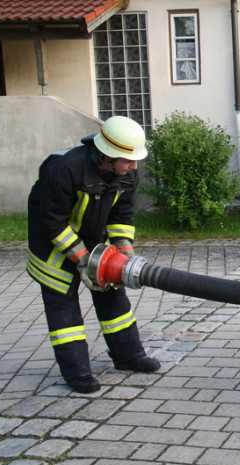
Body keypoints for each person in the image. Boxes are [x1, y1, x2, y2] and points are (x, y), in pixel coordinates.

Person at [27, 116, 161, 394]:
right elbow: (52, 221)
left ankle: (128, 356)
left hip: (93, 240)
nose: (134, 166)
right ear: (107, 155)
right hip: (53, 245)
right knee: (63, 308)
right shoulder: (63, 169)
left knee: (113, 294)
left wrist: (125, 259)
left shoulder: (126, 172)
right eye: (128, 159)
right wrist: (83, 261)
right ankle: (77, 373)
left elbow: (121, 216)